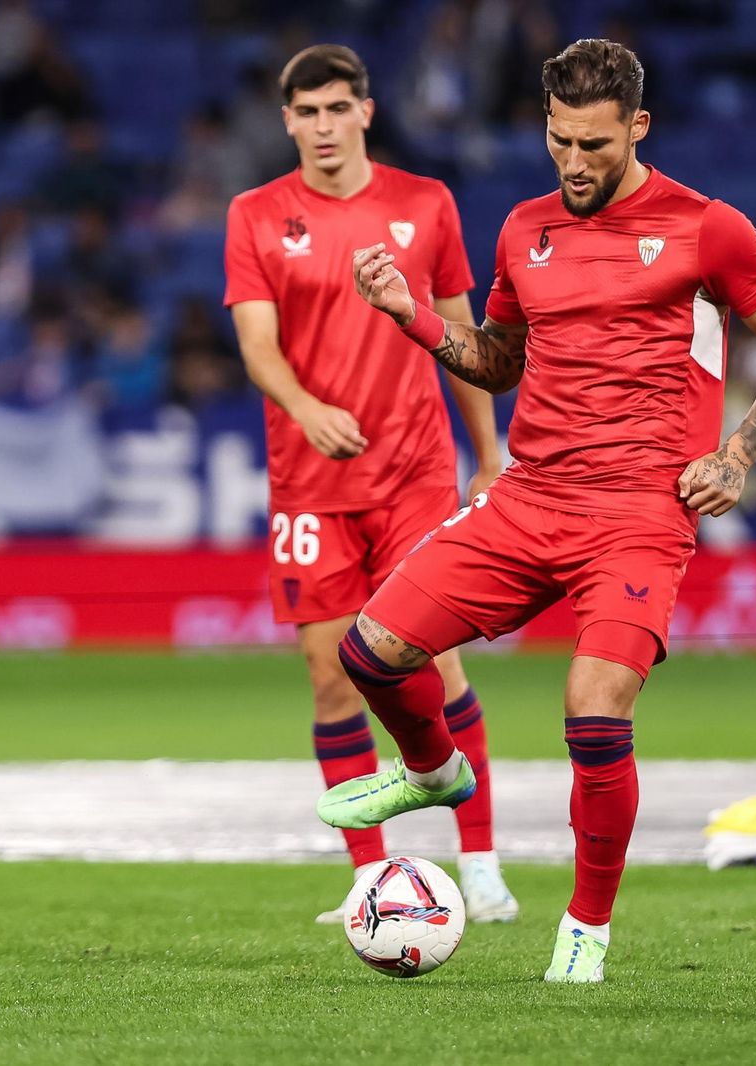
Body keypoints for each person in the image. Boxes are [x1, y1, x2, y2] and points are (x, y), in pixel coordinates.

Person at [322, 38, 756, 983]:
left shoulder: (707, 227)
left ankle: (585, 927)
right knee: (370, 650)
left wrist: (738, 452)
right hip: (530, 495)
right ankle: (434, 769)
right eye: (559, 141)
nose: (574, 163)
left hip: (639, 512)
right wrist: (414, 317)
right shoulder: (523, 229)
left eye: (594, 144)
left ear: (637, 127)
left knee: (594, 713)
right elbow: (504, 358)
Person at [223, 44, 516, 925]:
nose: (321, 127)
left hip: (415, 473)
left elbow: (461, 335)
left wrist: (489, 451)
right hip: (308, 485)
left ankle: (482, 861)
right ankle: (368, 877)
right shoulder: (255, 214)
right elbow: (257, 344)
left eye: (335, 109)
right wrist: (307, 407)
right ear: (287, 122)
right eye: (305, 113)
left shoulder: (426, 204)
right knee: (329, 677)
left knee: (434, 660)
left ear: (366, 111)